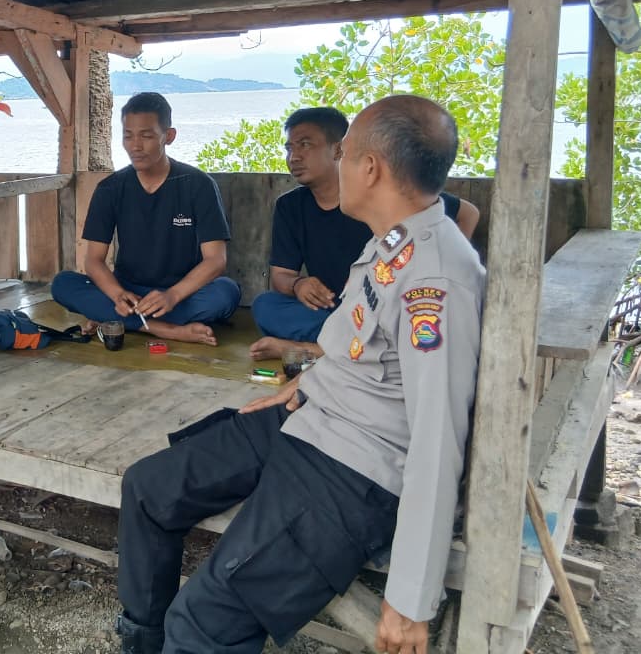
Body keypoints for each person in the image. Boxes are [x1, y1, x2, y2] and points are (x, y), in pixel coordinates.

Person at [113, 95, 485, 654]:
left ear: (369, 168)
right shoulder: (392, 242)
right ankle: (142, 643)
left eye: (345, 153)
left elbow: (438, 439)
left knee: (202, 624)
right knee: (148, 489)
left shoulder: (437, 279)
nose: (337, 163)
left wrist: (411, 597)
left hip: (352, 467)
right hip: (308, 414)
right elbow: (363, 351)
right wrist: (305, 381)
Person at [250, 106, 479, 357]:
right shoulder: (291, 206)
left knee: (399, 320)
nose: (293, 157)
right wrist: (298, 285)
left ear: (339, 150)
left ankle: (322, 349)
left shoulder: (375, 196)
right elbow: (281, 275)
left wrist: (439, 264)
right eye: (289, 148)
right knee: (266, 306)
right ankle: (348, 346)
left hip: (379, 308)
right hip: (331, 309)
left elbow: (467, 213)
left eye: (305, 145)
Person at [51, 92, 241, 345]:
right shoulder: (111, 188)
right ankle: (163, 329)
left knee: (226, 294)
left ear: (169, 136)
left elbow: (216, 260)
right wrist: (117, 295)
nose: (135, 146)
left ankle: (117, 319)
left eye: (147, 136)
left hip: (181, 293)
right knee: (63, 284)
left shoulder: (198, 184)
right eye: (128, 136)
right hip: (129, 291)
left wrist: (172, 296)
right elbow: (94, 261)